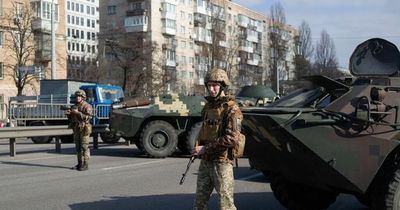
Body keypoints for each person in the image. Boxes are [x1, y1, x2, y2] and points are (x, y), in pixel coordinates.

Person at [192, 68, 243, 210]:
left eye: (215, 86)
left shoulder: (232, 109)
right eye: (209, 86)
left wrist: (204, 148)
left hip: (222, 162)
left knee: (226, 204)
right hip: (206, 161)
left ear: (222, 86)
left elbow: (232, 138)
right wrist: (198, 146)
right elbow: (204, 130)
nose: (212, 89)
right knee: (199, 202)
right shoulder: (208, 107)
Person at [65, 90, 93, 171]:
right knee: (78, 147)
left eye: (79, 96)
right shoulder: (74, 106)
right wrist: (69, 114)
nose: (77, 98)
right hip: (76, 128)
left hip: (84, 128)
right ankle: (79, 163)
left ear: (83, 97)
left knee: (84, 146)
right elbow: (72, 119)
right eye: (77, 96)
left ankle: (85, 164)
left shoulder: (87, 106)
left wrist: (77, 113)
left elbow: (88, 117)